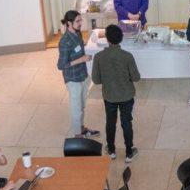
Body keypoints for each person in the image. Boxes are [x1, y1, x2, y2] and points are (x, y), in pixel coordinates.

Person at [89, 24, 140, 163]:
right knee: (126, 122)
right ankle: (129, 152)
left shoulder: (99, 57)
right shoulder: (127, 56)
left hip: (109, 96)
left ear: (107, 39)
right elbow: (136, 77)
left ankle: (111, 150)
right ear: (121, 38)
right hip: (127, 95)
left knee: (110, 122)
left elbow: (96, 80)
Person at [57, 10, 98, 139]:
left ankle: (81, 128)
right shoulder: (64, 42)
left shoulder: (78, 34)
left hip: (83, 75)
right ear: (69, 23)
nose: (81, 23)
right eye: (78, 21)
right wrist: (81, 59)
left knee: (82, 105)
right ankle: (77, 135)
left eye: (81, 20)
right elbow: (61, 65)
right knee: (76, 108)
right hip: (73, 79)